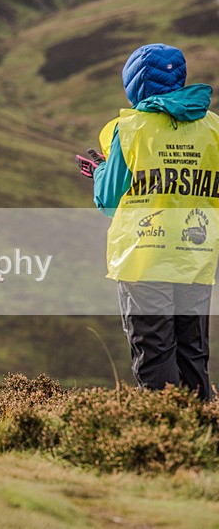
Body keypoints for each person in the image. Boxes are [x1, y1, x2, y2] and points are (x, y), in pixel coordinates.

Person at [82, 43, 219, 400]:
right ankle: (201, 441)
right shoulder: (214, 129)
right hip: (195, 257)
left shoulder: (130, 129)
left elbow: (108, 202)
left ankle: (162, 438)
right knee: (193, 354)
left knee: (155, 354)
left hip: (143, 259)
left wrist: (100, 172)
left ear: (135, 84)